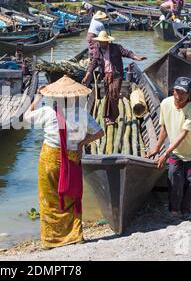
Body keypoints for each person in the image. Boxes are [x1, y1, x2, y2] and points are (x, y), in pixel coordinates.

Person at [24, 76, 104, 249]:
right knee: (72, 196)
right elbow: (99, 132)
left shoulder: (48, 111)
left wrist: (37, 98)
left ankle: (51, 240)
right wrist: (82, 143)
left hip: (50, 158)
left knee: (49, 199)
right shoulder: (82, 114)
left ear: (56, 97)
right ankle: (75, 235)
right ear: (75, 97)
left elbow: (26, 117)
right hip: (73, 157)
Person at [146, 77, 191, 219]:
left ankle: (186, 209)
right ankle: (174, 209)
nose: (179, 95)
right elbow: (164, 128)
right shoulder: (166, 103)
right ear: (173, 90)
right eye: (177, 91)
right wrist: (157, 148)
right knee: (173, 178)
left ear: (190, 94)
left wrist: (166, 152)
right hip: (175, 151)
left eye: (183, 92)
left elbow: (183, 133)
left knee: (189, 182)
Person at [82, 31, 146, 125]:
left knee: (114, 94)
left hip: (117, 75)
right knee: (108, 95)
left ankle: (113, 117)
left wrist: (137, 58)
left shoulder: (116, 48)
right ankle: (107, 116)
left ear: (107, 41)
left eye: (104, 42)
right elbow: (93, 64)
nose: (102, 43)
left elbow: (127, 53)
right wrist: (87, 76)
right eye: (101, 42)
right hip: (106, 76)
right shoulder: (97, 51)